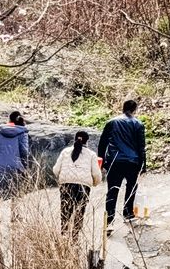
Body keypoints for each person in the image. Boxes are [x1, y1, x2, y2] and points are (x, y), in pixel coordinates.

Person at [98, 100, 146, 228]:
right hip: (132, 161)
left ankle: (109, 221)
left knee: (112, 190)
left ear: (123, 108)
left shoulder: (112, 122)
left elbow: (103, 143)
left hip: (115, 161)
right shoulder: (138, 124)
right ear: (135, 109)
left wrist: (101, 162)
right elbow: (141, 147)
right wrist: (143, 165)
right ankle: (128, 214)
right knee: (131, 188)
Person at [53, 131, 102, 237]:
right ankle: (75, 237)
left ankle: (64, 236)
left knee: (65, 211)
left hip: (66, 185)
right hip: (83, 187)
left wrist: (63, 178)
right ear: (87, 141)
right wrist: (94, 183)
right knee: (79, 212)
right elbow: (96, 174)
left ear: (75, 139)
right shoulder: (91, 154)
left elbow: (56, 170)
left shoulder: (65, 151)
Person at [0, 111, 30, 199]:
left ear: (9, 120)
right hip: (14, 166)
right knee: (15, 195)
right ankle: (14, 213)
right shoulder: (23, 133)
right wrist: (25, 168)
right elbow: (24, 152)